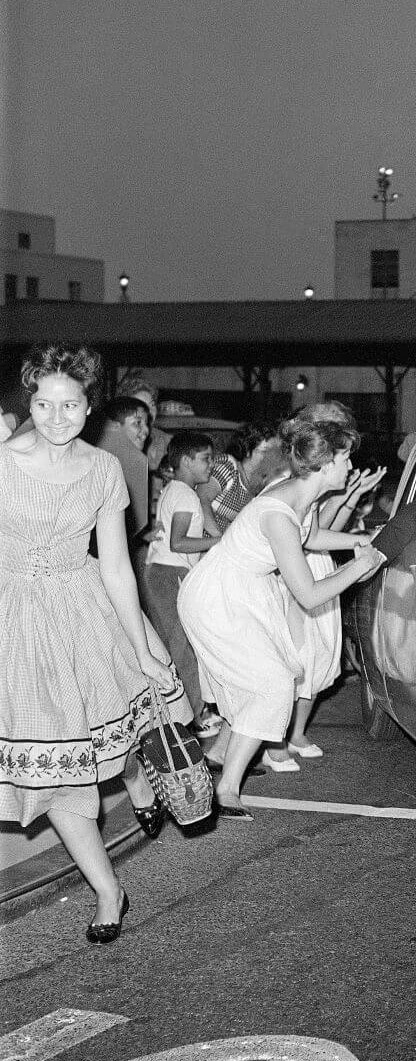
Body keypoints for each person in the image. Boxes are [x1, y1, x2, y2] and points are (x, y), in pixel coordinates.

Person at [0, 344, 178, 945]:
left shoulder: (103, 471)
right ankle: (110, 884)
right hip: (14, 628)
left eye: (69, 404)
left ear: (88, 406)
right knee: (59, 766)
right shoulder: (1, 462)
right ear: (29, 403)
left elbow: (116, 568)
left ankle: (107, 879)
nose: (55, 417)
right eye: (43, 404)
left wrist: (143, 646)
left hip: (81, 622)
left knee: (90, 746)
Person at [178, 418, 385, 819]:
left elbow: (308, 538)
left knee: (265, 679)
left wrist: (359, 542)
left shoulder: (298, 495)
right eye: (344, 459)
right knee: (272, 682)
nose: (349, 467)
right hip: (219, 596)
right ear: (326, 465)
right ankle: (226, 789)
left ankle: (220, 754)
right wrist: (358, 567)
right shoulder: (279, 510)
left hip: (245, 592)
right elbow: (309, 595)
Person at [261, 401, 387, 771]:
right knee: (294, 656)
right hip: (294, 567)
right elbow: (301, 537)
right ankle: (275, 740)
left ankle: (297, 733)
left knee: (319, 654)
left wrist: (351, 497)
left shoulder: (324, 478)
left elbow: (325, 527)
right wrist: (348, 500)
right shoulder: (288, 481)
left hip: (317, 560)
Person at [143, 431, 221, 734]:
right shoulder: (186, 494)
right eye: (205, 459)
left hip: (162, 572)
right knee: (185, 651)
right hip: (170, 573)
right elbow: (178, 542)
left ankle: (175, 721)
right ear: (187, 461)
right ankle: (184, 726)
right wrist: (219, 541)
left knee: (173, 651)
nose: (210, 465)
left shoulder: (175, 489)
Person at [197, 420, 285, 533]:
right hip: (205, 543)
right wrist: (219, 540)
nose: (271, 457)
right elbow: (201, 499)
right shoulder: (228, 466)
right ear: (247, 451)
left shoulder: (261, 482)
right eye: (265, 451)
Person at [95, 396, 153, 545]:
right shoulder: (99, 466)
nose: (146, 430)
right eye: (137, 423)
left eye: (146, 424)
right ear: (113, 426)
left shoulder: (130, 465)